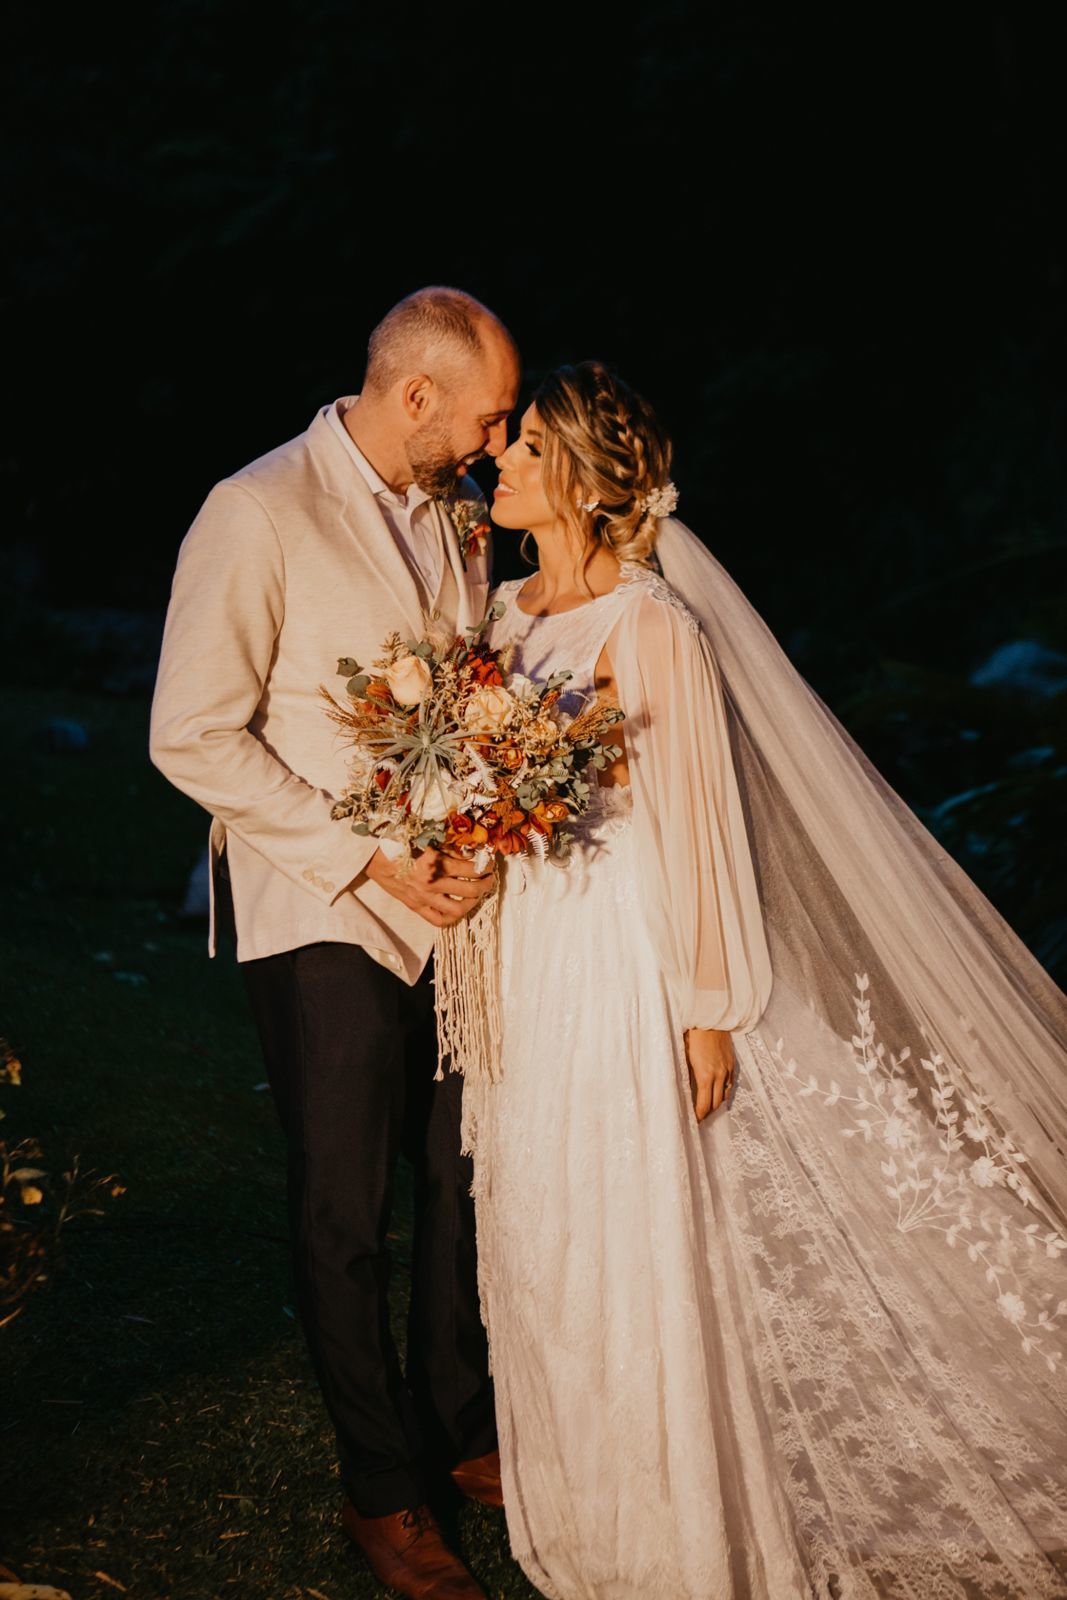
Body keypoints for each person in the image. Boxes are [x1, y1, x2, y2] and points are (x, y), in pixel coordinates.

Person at [463, 360, 1067, 1599]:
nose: (501, 462)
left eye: (525, 447)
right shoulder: (500, 613)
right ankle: (580, 1478)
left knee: (634, 1215)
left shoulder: (651, 625)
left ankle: (665, 1503)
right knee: (541, 1207)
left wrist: (707, 1006)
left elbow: (700, 822)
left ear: (576, 476)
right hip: (527, 948)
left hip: (624, 953)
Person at [150, 286, 520, 1600]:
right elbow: (189, 732)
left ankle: (457, 1428)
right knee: (343, 1208)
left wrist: (477, 829)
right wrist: (366, 858)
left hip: (452, 908)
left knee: (455, 1182)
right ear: (412, 395)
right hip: (321, 908)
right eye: (479, 420)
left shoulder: (458, 521)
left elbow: (466, 700)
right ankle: (381, 1489)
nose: (490, 445)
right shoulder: (253, 512)